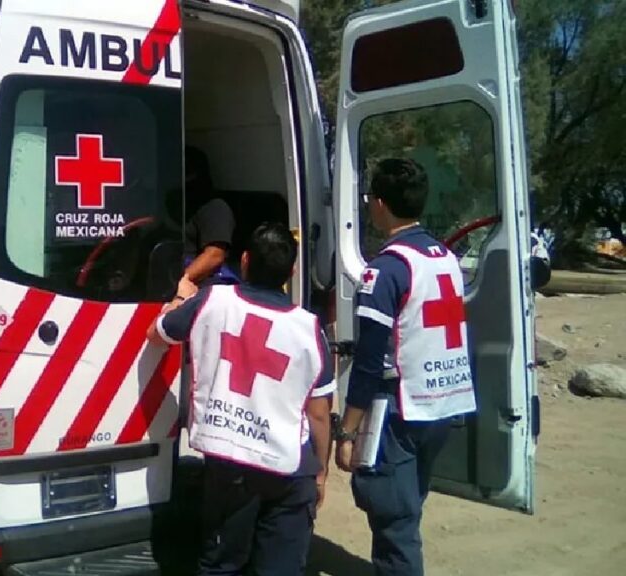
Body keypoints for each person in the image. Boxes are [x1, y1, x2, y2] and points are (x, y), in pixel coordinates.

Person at [147, 223, 335, 576]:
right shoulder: (309, 328)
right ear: (292, 271)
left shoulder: (213, 301)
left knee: (221, 564)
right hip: (289, 469)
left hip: (230, 463)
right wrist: (320, 473)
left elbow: (158, 333)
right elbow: (320, 413)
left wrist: (181, 297)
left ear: (245, 261)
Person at [334, 158, 477, 576]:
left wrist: (348, 430)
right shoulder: (445, 257)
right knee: (408, 506)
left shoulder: (386, 270)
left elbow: (368, 362)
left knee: (394, 525)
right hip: (445, 405)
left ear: (379, 204)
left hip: (401, 409)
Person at [181, 146, 239, 286]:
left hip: (199, 289)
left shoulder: (214, 207)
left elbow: (214, 256)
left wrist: (179, 284)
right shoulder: (179, 206)